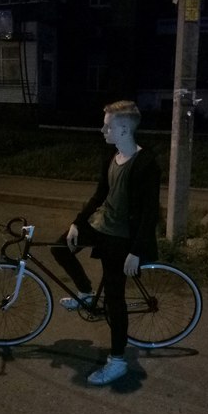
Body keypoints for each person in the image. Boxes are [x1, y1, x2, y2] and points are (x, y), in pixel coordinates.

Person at [51, 100, 161, 385]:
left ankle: (118, 361)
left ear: (123, 129)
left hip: (122, 237)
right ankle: (86, 293)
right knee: (60, 248)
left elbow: (150, 213)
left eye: (107, 126)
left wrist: (135, 251)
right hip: (101, 225)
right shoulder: (112, 155)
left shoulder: (146, 164)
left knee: (114, 300)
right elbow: (100, 193)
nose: (102, 130)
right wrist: (78, 222)